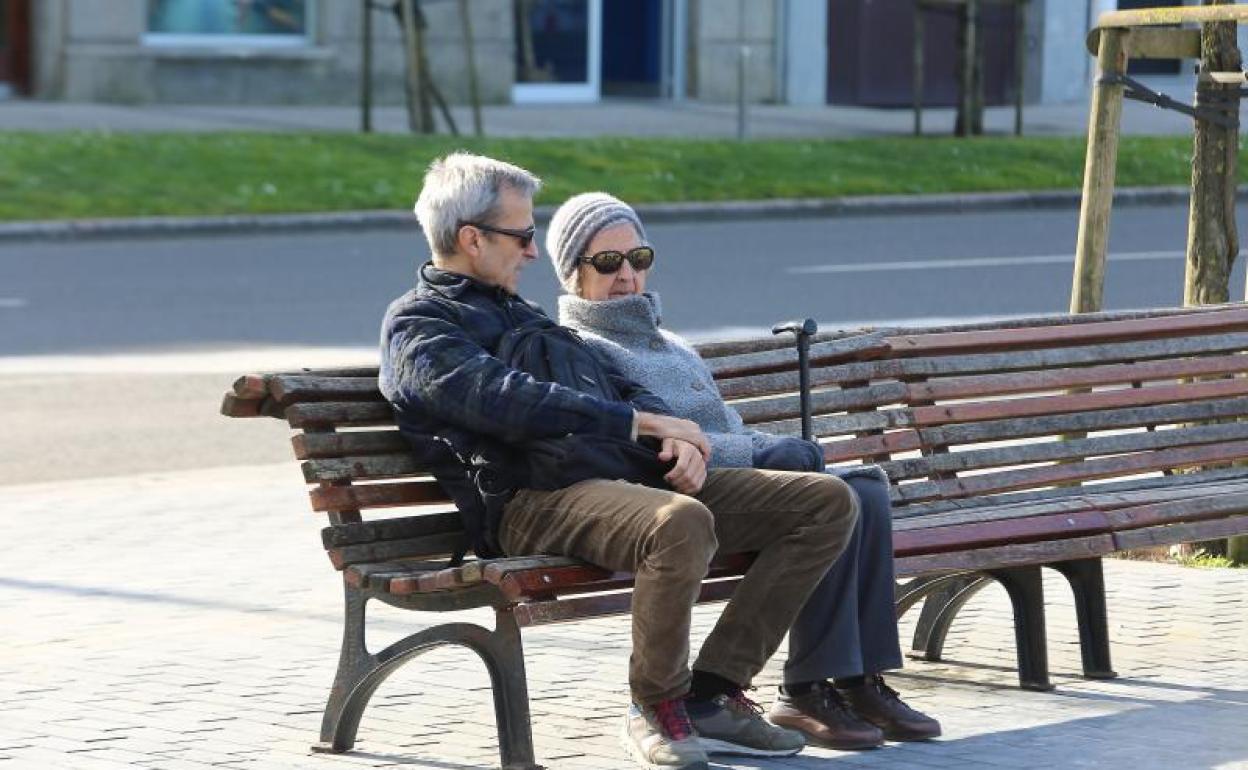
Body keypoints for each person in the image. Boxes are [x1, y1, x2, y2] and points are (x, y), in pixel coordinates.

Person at [379, 154, 861, 770]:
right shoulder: (420, 324)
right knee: (678, 521)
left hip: (619, 482)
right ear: (472, 238)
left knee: (821, 502)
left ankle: (713, 695)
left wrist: (680, 436)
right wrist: (634, 424)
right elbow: (504, 400)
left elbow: (616, 384)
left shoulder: (520, 314)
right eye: (523, 235)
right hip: (534, 502)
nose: (532, 251)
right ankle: (655, 705)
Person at [549, 191, 942, 750]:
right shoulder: (583, 347)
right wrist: (759, 453)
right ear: (571, 274)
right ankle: (803, 689)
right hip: (675, 493)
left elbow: (722, 423)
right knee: (831, 498)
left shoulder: (670, 341)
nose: (627, 276)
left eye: (639, 259)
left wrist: (764, 447)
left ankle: (856, 679)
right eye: (607, 263)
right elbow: (651, 442)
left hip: (731, 478)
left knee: (866, 489)